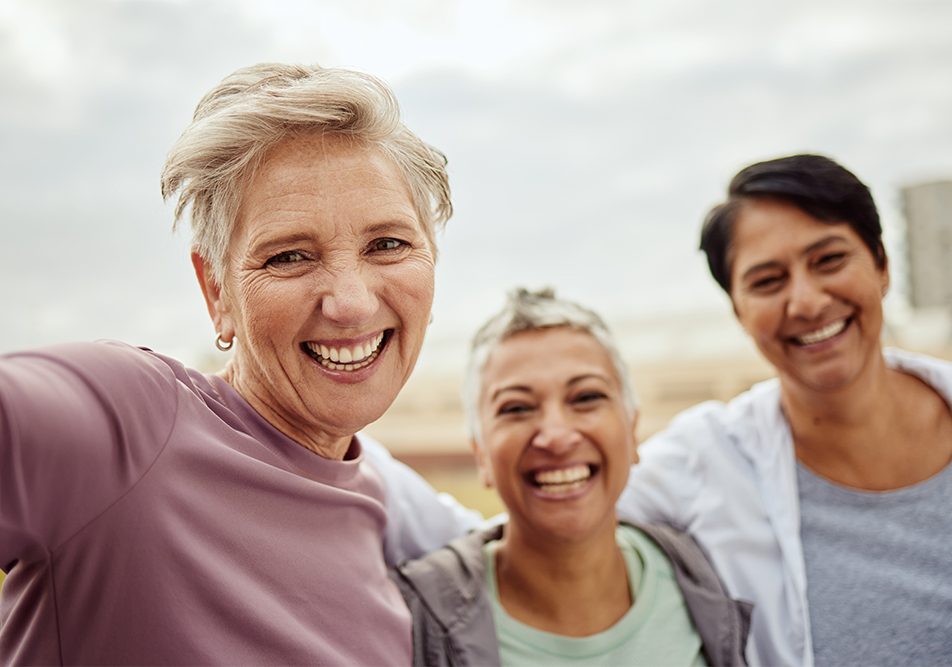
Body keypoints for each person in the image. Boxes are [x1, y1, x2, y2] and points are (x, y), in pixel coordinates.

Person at [0, 62, 479, 665]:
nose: (352, 302)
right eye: (288, 257)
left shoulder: (383, 516)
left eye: (387, 244)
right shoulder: (131, 424)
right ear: (218, 293)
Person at [618, 154, 952, 666]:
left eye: (829, 260)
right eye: (768, 281)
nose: (806, 301)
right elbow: (528, 532)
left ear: (882, 266)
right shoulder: (705, 457)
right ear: (738, 311)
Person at [392, 288, 751, 666]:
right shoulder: (414, 622)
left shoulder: (703, 578)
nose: (557, 436)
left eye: (585, 398)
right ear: (481, 453)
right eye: (517, 407)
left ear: (631, 431)